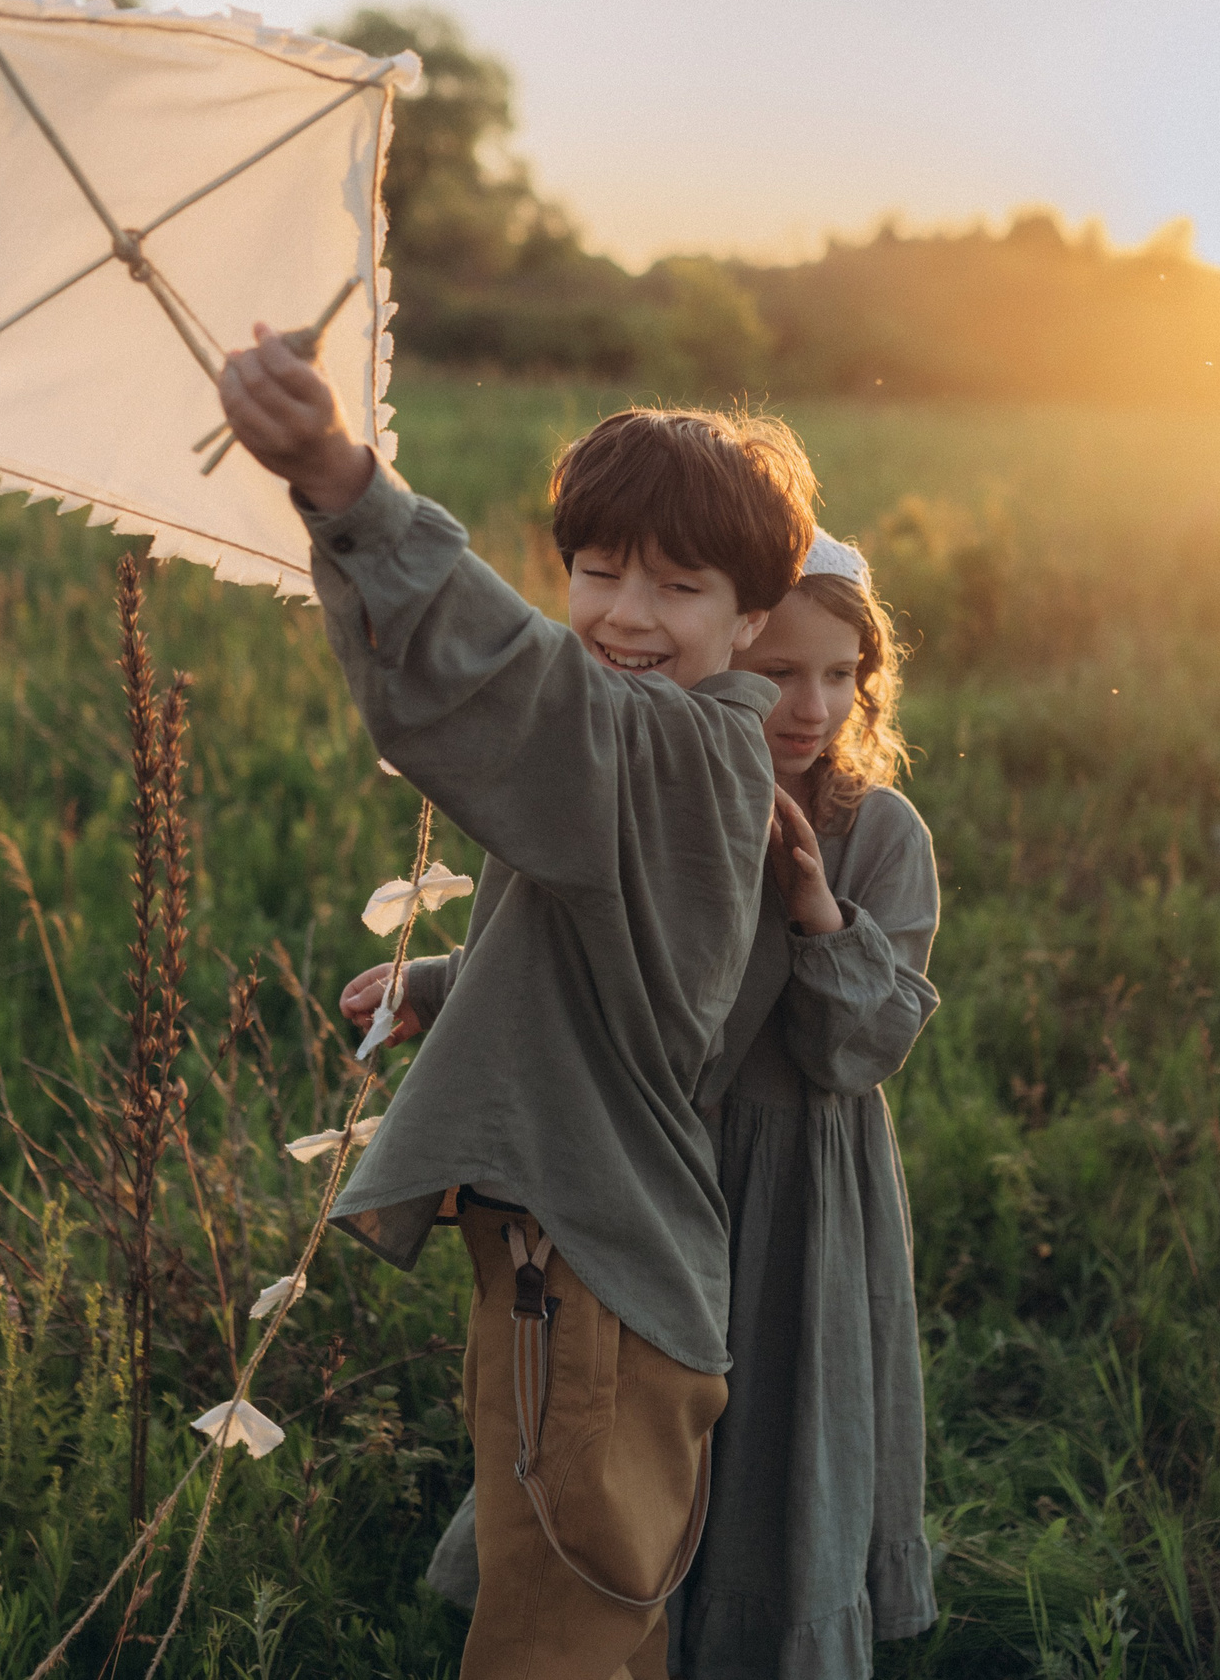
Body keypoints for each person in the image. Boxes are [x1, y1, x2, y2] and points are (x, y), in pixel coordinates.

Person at [217, 329, 813, 1680]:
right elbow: (623, 945)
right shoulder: (680, 751)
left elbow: (525, 691)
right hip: (586, 1263)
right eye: (596, 571)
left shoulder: (670, 747)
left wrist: (339, 477)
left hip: (587, 1274)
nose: (624, 614)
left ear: (752, 622)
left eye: (680, 583)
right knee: (600, 1626)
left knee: (552, 1641)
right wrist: (442, 983)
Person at [412, 532, 943, 1680]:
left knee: (775, 1421)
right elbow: (595, 959)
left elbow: (859, 1048)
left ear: (868, 677)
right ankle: (618, 1623)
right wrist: (431, 986)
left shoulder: (878, 832)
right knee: (635, 1424)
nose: (807, 704)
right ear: (736, 652)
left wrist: (811, 904)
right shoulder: (674, 789)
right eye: (783, 670)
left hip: (801, 1186)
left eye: (839, 674)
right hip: (662, 1158)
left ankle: (759, 1639)